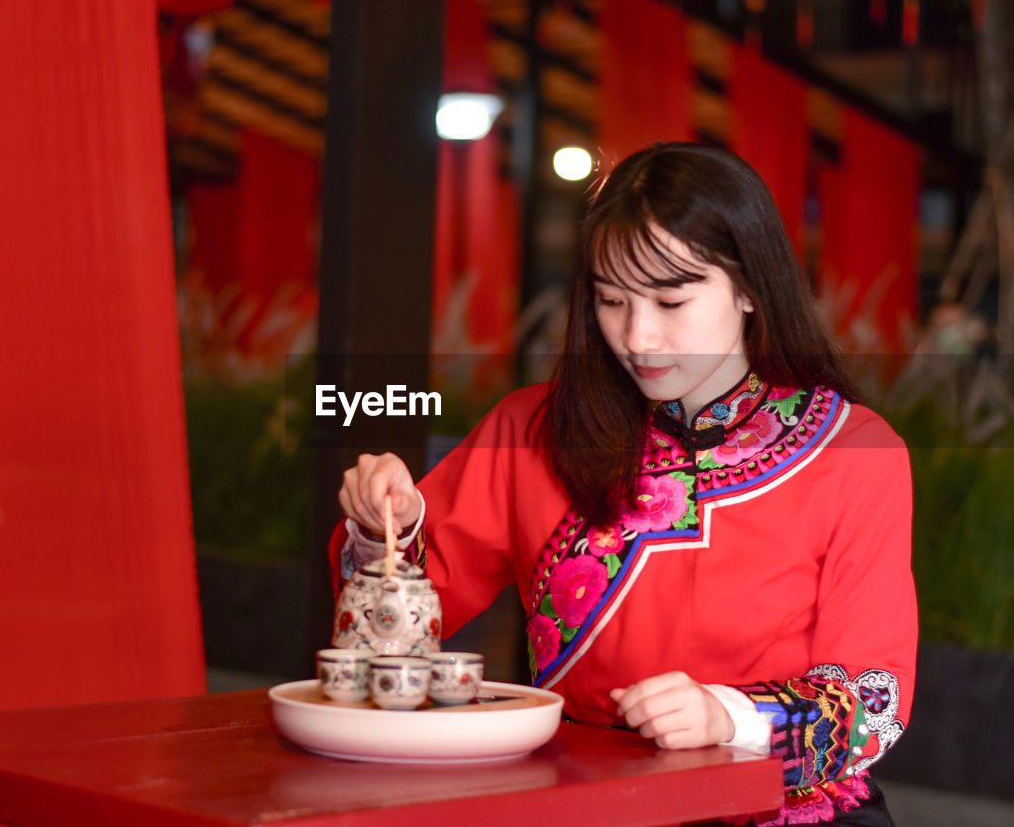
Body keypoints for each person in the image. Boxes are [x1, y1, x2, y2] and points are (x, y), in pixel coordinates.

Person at [330, 143, 916, 827]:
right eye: (612, 299)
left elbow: (872, 699)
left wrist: (725, 714)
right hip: (585, 804)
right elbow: (380, 647)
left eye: (671, 299)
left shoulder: (855, 450)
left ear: (750, 287)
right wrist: (380, 525)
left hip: (786, 811)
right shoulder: (535, 430)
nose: (638, 335)